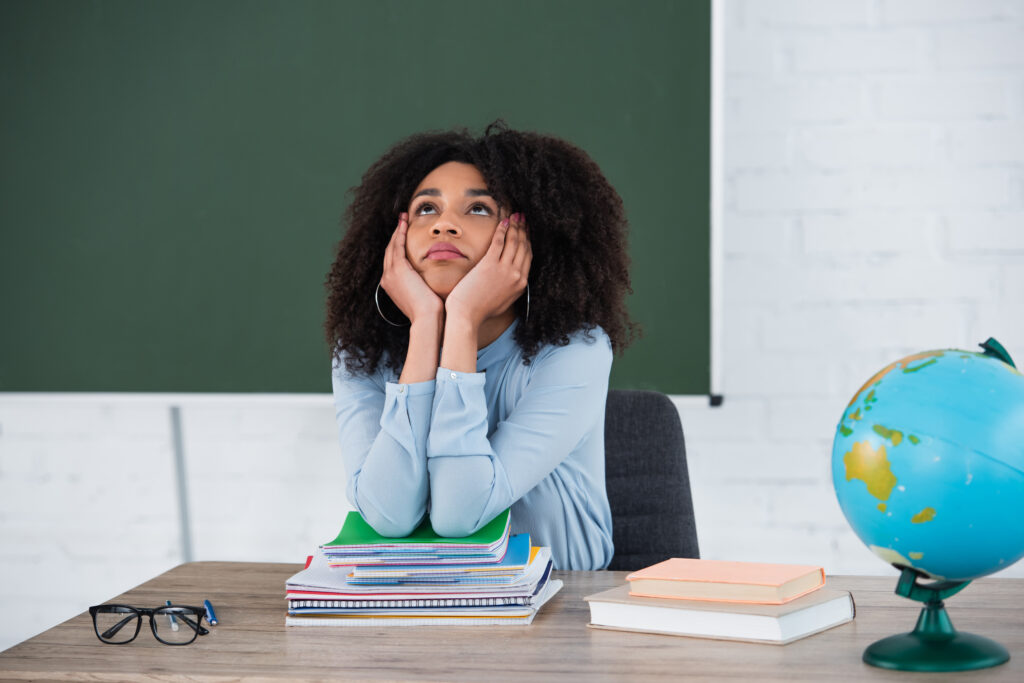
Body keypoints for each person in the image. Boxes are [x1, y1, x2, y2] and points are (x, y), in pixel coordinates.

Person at [324, 122, 636, 570]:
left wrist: (463, 321)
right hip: (421, 602)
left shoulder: (575, 351)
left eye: (478, 210)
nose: (445, 225)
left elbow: (459, 513)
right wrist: (428, 324)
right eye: (426, 208)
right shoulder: (360, 353)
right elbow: (387, 515)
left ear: (529, 239)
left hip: (562, 607)